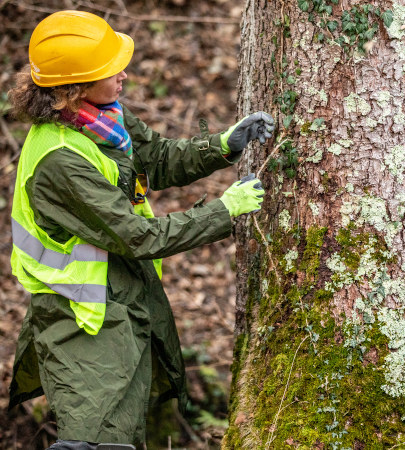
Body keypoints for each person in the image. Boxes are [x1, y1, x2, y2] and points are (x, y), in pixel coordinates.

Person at [7, 10, 276, 449]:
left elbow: (155, 158)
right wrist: (224, 212)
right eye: (111, 71)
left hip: (122, 302)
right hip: (81, 321)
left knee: (123, 437)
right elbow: (137, 236)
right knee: (94, 442)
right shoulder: (60, 159)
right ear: (74, 89)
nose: (124, 75)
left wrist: (224, 145)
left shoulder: (101, 119)